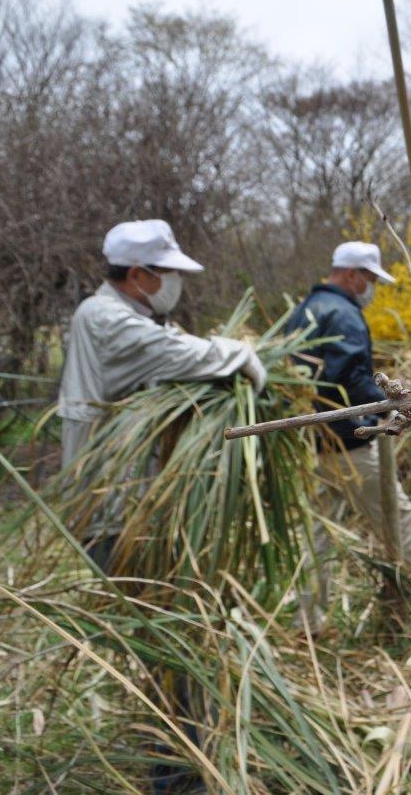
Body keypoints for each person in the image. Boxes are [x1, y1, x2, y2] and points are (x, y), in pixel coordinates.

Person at [58, 219, 266, 569]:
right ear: (138, 275)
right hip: (111, 498)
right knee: (134, 598)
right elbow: (179, 354)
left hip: (139, 491)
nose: (177, 282)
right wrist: (240, 355)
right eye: (169, 272)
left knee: (157, 591)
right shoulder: (104, 318)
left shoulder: (142, 316)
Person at [285, 241, 411, 622]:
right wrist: (397, 403)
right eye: (370, 279)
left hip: (311, 444)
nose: (372, 288)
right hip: (348, 444)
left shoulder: (303, 311)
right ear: (352, 275)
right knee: (400, 518)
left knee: (317, 532)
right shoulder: (344, 314)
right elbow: (350, 377)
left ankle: (307, 621)